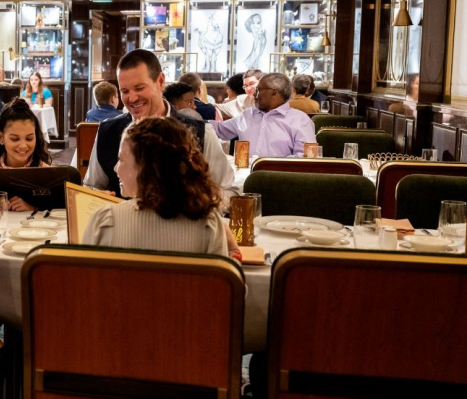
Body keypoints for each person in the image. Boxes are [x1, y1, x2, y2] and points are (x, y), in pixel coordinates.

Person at [83, 49, 237, 205]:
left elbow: (229, 192)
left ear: (161, 82)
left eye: (139, 88)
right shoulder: (107, 131)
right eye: (125, 91)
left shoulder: (201, 132)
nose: (132, 98)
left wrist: (194, 202)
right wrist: (96, 198)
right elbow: (91, 187)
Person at [82, 117, 228, 256]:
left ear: (145, 166)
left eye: (121, 159)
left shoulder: (105, 222)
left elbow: (82, 272)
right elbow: (221, 273)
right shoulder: (209, 224)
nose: (115, 168)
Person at [209, 73, 317, 158]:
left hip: (281, 176)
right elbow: (219, 129)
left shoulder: (300, 120)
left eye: (258, 90)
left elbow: (307, 158)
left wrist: (269, 167)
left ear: (274, 93)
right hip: (246, 175)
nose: (254, 94)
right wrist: (199, 122)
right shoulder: (248, 115)